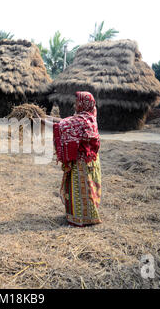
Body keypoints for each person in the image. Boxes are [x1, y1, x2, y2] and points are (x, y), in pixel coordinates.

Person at [40, 91, 102, 227]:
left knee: (82, 188)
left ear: (83, 103)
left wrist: (41, 121)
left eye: (77, 102)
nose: (75, 104)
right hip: (88, 161)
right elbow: (64, 122)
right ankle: (79, 215)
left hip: (82, 163)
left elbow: (61, 126)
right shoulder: (88, 116)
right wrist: (44, 117)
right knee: (82, 187)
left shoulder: (82, 120)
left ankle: (83, 218)